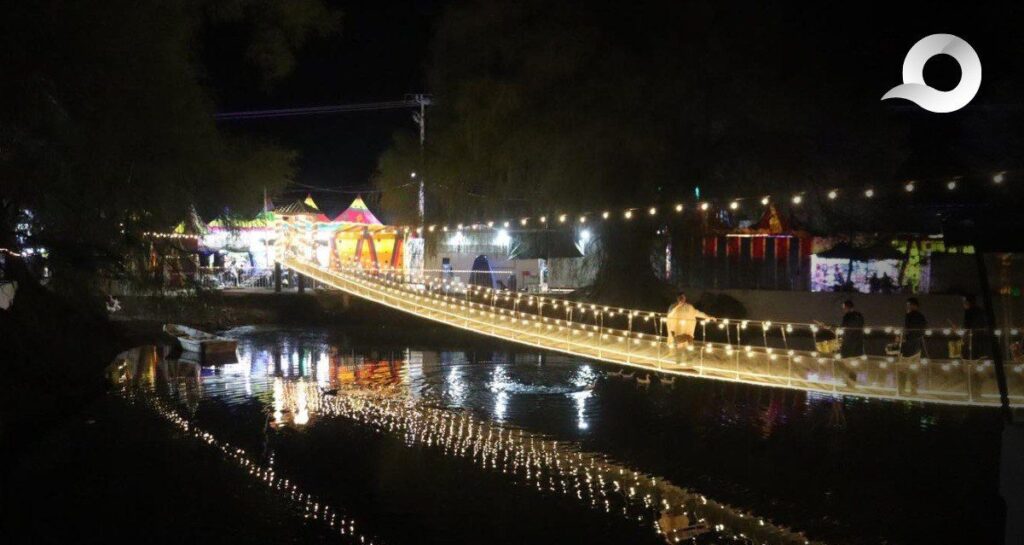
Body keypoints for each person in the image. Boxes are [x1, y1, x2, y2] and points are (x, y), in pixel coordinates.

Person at [665, 292, 714, 360]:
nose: (682, 299)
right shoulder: (673, 306)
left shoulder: (689, 307)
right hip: (676, 331)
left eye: (683, 297)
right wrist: (678, 306)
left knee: (688, 341)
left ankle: (688, 357)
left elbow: (697, 313)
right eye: (681, 298)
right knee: (679, 344)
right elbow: (669, 316)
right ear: (678, 298)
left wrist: (708, 317)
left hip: (687, 330)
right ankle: (679, 358)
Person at [899, 297, 927, 395]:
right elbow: (923, 331)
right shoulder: (922, 317)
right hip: (917, 348)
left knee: (902, 369)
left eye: (908, 305)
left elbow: (907, 331)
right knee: (914, 370)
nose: (907, 307)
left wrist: (903, 338)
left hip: (907, 348)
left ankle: (901, 390)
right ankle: (913, 390)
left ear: (913, 305)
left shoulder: (909, 316)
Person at [962, 294, 987, 360]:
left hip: (974, 335)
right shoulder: (979, 311)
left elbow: (968, 325)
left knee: (970, 351)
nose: (963, 304)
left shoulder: (970, 312)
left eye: (965, 302)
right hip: (978, 335)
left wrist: (966, 331)